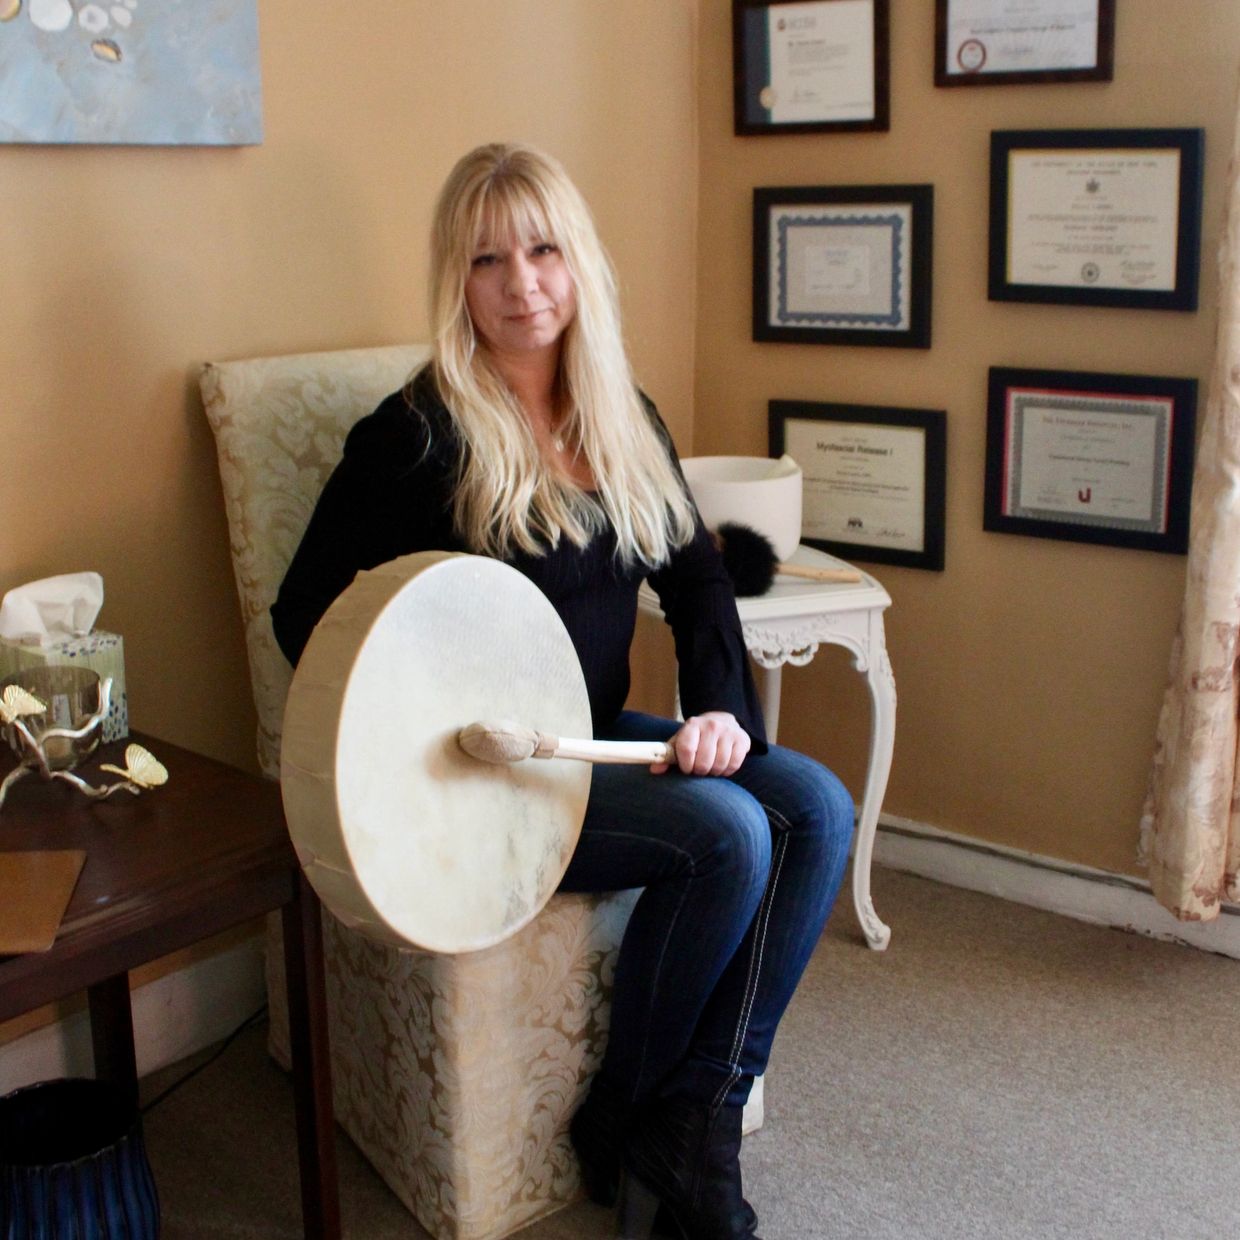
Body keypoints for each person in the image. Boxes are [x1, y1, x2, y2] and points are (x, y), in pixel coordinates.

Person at [271, 142, 854, 1240]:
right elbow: (305, 610)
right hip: (481, 772)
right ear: (458, 280)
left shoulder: (620, 416)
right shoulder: (416, 434)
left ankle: (687, 1112)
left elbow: (696, 580)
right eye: (487, 260)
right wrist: (417, 722)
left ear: (577, 262)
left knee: (813, 807)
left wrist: (717, 706)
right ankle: (640, 1116)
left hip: (589, 745)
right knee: (726, 835)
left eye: (542, 251)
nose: (520, 284)